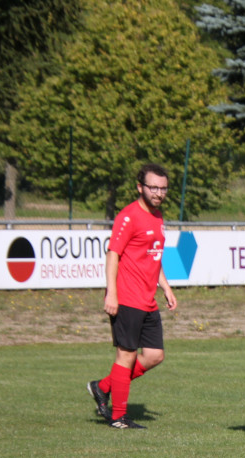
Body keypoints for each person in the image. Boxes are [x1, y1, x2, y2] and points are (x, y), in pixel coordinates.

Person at [87, 163, 178, 430]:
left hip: (148, 299)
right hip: (127, 297)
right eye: (153, 187)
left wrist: (166, 287)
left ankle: (103, 387)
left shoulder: (158, 217)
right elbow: (113, 254)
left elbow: (153, 257)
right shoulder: (128, 216)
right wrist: (111, 294)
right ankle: (118, 417)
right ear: (140, 187)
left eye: (163, 188)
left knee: (154, 355)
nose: (158, 193)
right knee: (126, 355)